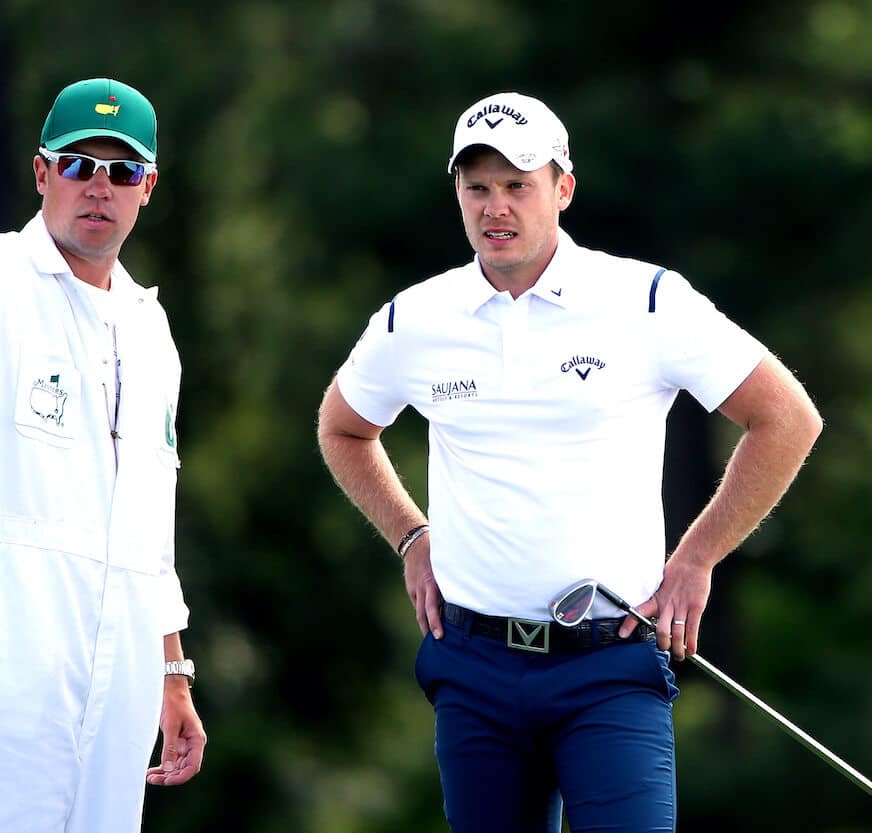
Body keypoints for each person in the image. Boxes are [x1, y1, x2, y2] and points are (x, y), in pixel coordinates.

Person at [316, 90, 822, 833]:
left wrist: (697, 557)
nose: (496, 208)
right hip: (474, 665)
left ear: (563, 188)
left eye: (518, 185)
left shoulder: (645, 299)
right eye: (477, 187)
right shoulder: (412, 319)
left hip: (607, 668)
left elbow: (786, 419)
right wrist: (410, 534)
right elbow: (342, 428)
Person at [0, 77, 206, 833]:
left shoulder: (150, 327)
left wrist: (171, 668)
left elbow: (149, 523)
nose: (99, 186)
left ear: (147, 187)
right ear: (41, 174)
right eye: (78, 165)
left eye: (121, 170)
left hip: (117, 672)